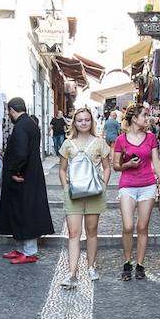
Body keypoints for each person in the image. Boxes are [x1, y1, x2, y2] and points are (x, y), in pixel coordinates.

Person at [55, 106, 112, 288]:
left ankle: (91, 266)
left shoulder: (99, 142)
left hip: (94, 192)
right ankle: (72, 273)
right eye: (80, 120)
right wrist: (66, 188)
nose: (83, 123)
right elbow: (62, 169)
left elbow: (107, 167)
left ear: (91, 121)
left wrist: (104, 185)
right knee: (73, 233)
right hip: (73, 194)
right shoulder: (68, 144)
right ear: (74, 123)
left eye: (87, 120)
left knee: (92, 230)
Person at [0, 97, 53, 264]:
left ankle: (29, 251)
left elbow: (21, 153)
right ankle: (22, 249)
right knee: (20, 210)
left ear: (11, 110)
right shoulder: (30, 123)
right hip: (30, 174)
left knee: (24, 211)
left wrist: (15, 170)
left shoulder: (21, 126)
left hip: (23, 176)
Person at [113, 103, 160, 281]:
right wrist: (128, 164)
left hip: (147, 185)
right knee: (128, 226)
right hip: (127, 185)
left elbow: (156, 160)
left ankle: (140, 264)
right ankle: (127, 261)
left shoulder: (151, 138)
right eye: (144, 115)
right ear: (135, 118)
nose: (147, 118)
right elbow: (116, 165)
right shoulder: (121, 140)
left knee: (142, 226)